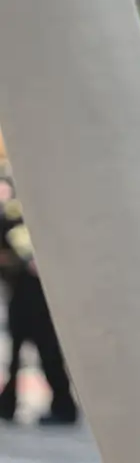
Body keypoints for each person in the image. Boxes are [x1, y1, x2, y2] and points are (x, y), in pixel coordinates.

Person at [0, 176, 79, 426]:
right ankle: (8, 405)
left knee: (49, 354)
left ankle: (63, 407)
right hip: (21, 296)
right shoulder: (11, 219)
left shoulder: (41, 220)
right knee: (17, 356)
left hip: (41, 300)